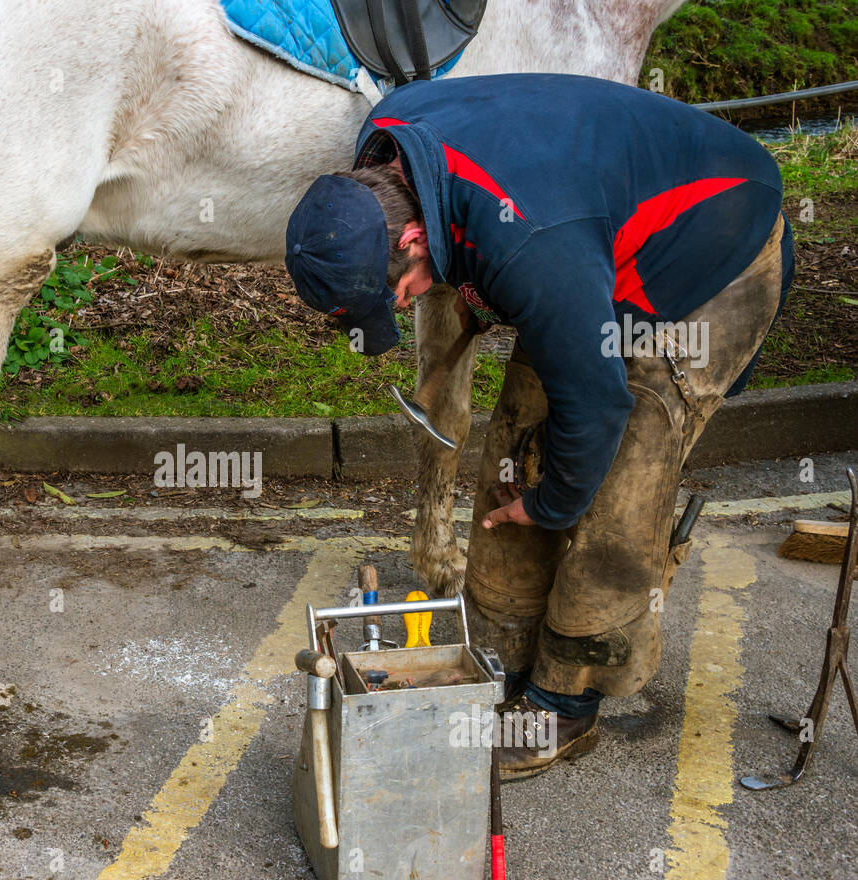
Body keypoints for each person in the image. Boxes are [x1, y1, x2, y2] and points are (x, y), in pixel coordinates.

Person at [284, 73, 794, 780]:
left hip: (711, 250)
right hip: (578, 242)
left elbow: (597, 401)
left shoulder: (530, 245)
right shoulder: (391, 139)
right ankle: (501, 652)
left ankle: (565, 701)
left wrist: (554, 502)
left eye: (395, 293)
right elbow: (495, 236)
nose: (402, 306)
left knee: (617, 475)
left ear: (407, 232)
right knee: (515, 454)